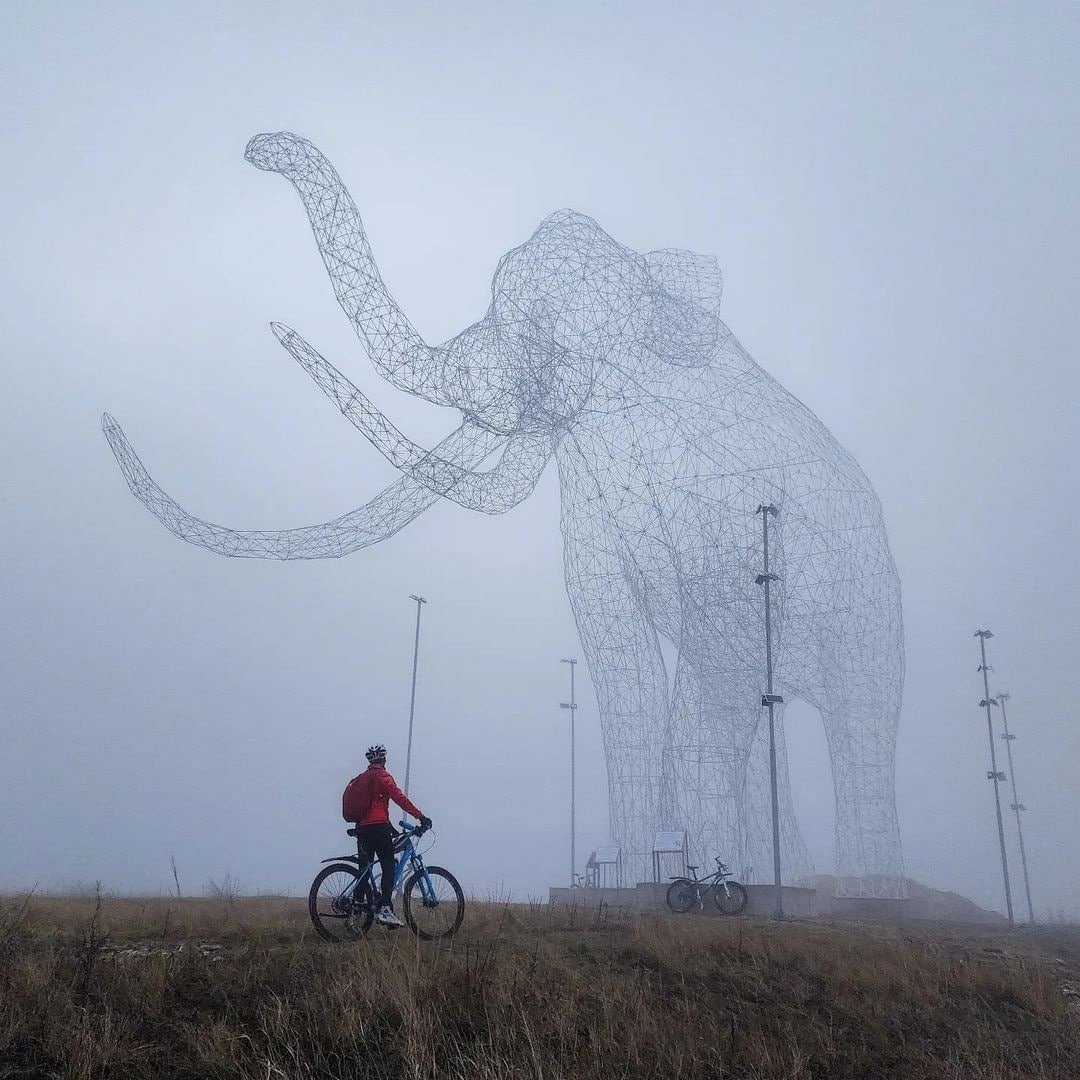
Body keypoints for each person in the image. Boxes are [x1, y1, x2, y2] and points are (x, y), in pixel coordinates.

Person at [342, 744, 432, 927]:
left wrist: (390, 828)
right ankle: (385, 908)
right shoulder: (382, 776)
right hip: (378, 828)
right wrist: (420, 816)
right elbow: (399, 798)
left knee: (364, 869)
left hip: (363, 829)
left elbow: (374, 807)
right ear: (383, 760)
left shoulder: (363, 778)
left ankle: (357, 910)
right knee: (389, 866)